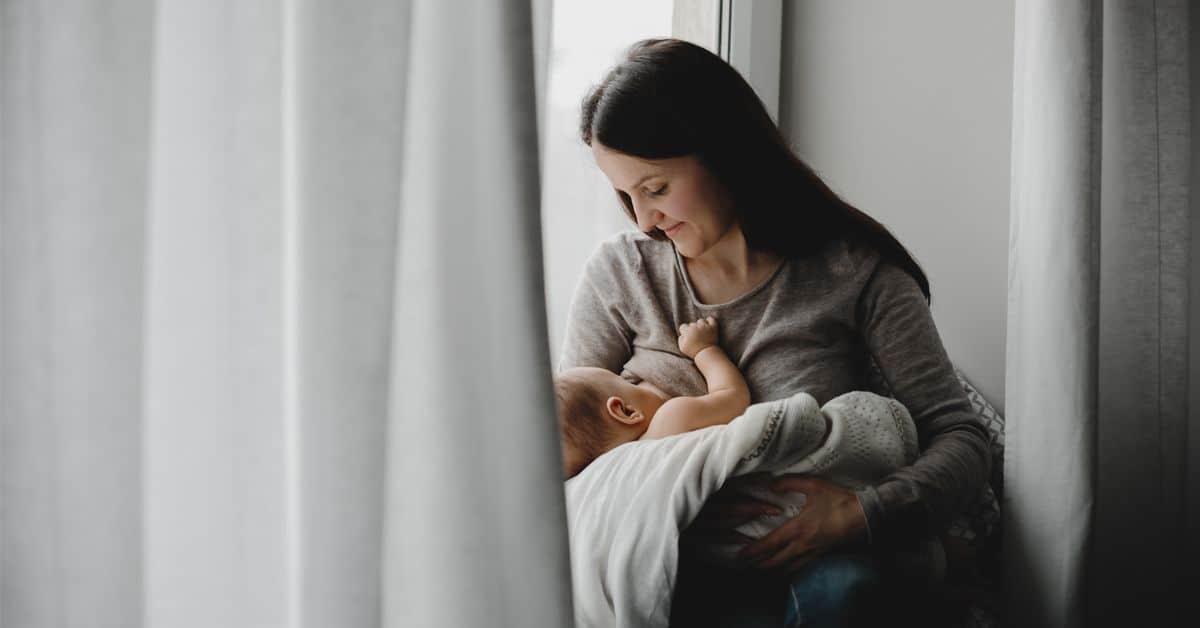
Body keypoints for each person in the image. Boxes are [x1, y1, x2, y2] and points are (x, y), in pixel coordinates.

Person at [558, 38, 992, 627]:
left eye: (655, 189)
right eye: (626, 196)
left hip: (813, 575)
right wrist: (665, 504)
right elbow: (568, 459)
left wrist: (859, 516)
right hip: (664, 574)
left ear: (723, 153)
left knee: (844, 592)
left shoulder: (857, 275)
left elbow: (961, 438)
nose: (644, 220)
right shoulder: (621, 275)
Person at [557, 316, 753, 478]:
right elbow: (734, 398)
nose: (632, 378)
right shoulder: (673, 418)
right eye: (624, 381)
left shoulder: (631, 474)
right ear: (626, 411)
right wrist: (704, 349)